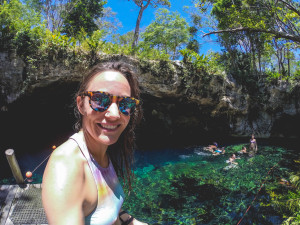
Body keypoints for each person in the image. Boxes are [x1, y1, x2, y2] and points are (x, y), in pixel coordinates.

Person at [42, 62, 147, 225]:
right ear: (80, 104)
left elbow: (112, 210)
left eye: (125, 104)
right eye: (100, 99)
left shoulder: (102, 152)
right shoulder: (66, 166)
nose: (114, 114)